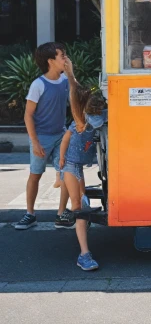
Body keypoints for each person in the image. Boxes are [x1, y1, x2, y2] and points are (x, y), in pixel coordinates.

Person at [15, 43, 77, 231]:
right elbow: (28, 115)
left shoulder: (66, 80)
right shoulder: (38, 85)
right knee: (35, 175)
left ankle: (61, 214)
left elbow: (78, 96)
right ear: (50, 61)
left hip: (60, 134)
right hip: (41, 137)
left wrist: (71, 75)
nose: (65, 59)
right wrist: (34, 142)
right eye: (61, 56)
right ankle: (30, 214)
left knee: (67, 173)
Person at [59, 71, 106, 271]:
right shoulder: (80, 121)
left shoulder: (96, 118)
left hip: (77, 167)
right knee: (79, 207)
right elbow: (73, 96)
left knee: (81, 203)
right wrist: (69, 74)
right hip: (71, 166)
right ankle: (84, 255)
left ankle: (68, 217)